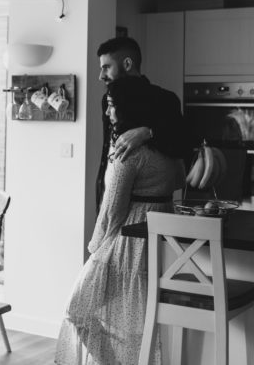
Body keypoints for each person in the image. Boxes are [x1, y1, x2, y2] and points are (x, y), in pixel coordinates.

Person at [55, 76, 186, 365]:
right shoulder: (170, 150)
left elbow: (113, 210)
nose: (107, 113)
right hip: (162, 235)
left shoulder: (128, 153)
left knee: (77, 309)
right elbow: (179, 180)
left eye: (112, 106)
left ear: (128, 108)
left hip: (127, 240)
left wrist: (95, 246)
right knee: (138, 320)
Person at [95, 36, 188, 212]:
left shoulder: (165, 99)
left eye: (106, 67)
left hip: (145, 207)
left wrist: (147, 132)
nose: (101, 76)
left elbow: (182, 144)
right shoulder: (106, 100)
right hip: (107, 195)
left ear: (127, 64)